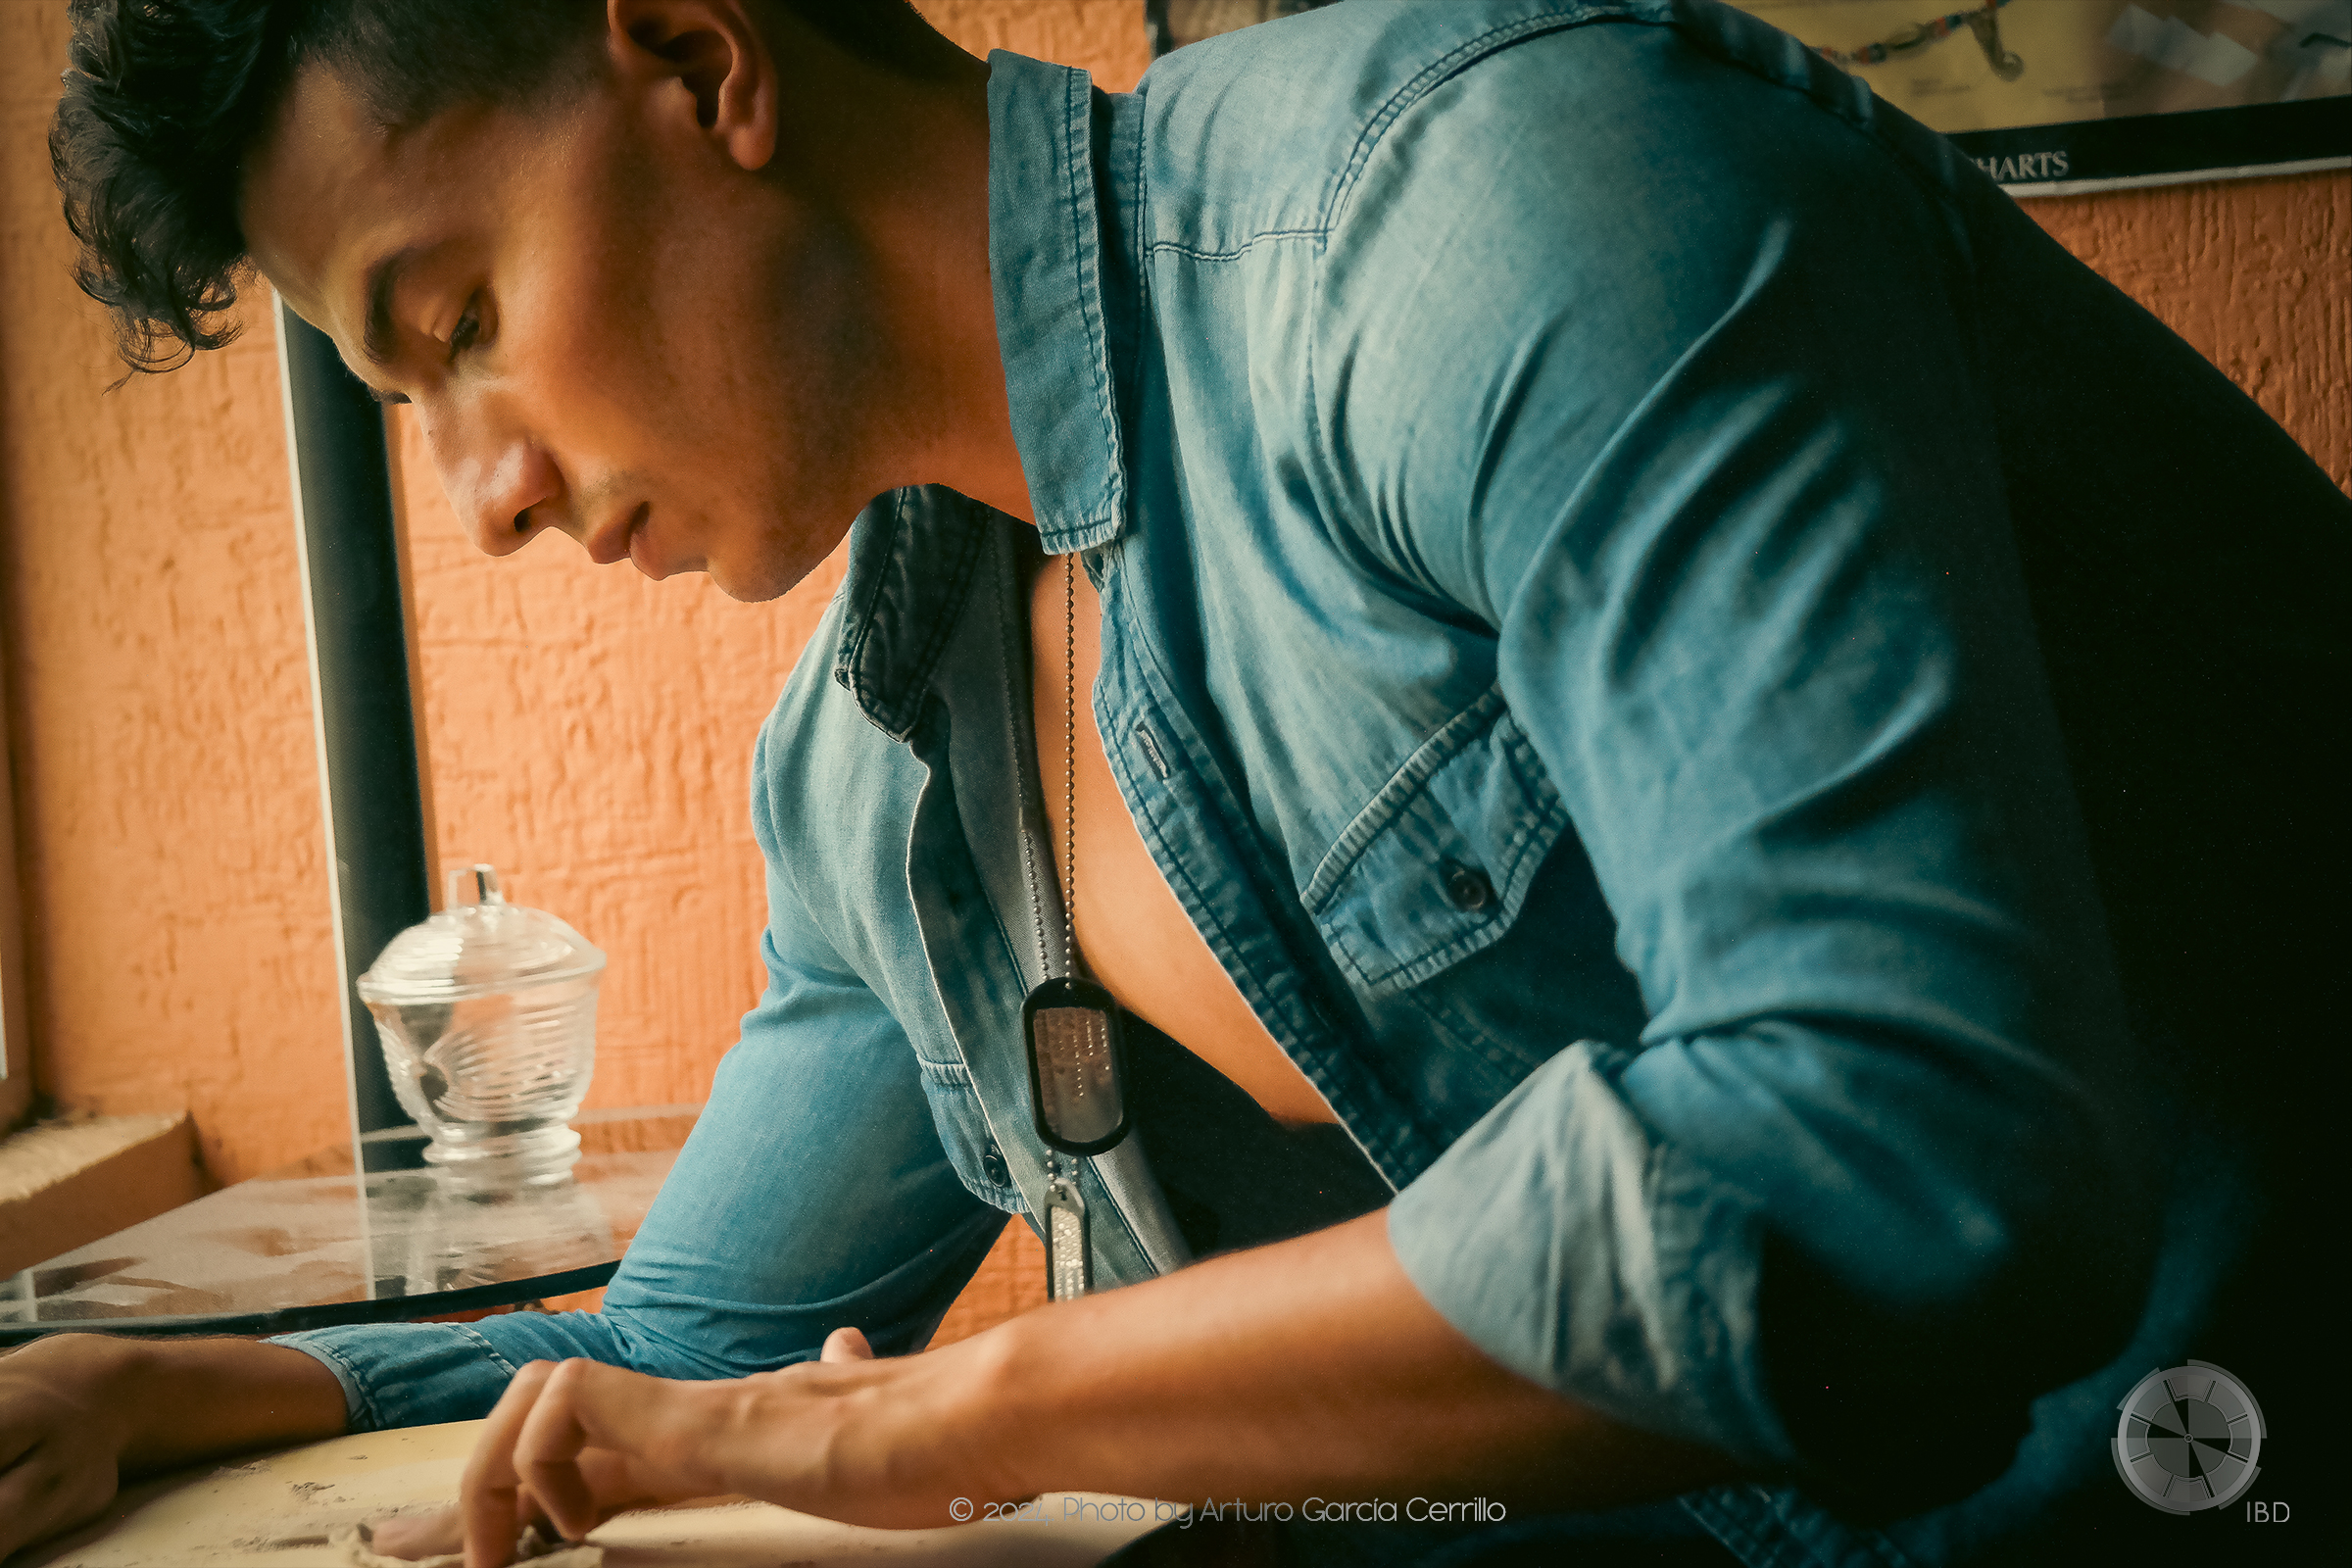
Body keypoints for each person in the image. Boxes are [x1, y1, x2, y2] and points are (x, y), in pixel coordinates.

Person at [10, 0, 2344, 1563]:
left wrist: (973, 1408)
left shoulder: (1500, 209)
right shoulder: (863, 775)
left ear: (701, 59)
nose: (481, 493)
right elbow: (688, 1366)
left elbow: (1910, 1151)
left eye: (460, 326)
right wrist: (167, 1389)